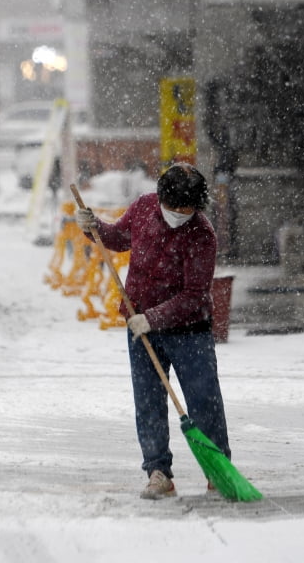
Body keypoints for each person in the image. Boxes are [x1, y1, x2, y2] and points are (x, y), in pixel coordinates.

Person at [76, 162, 231, 500]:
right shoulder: (145, 207)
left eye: (187, 209)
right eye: (174, 207)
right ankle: (158, 472)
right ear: (161, 198)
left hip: (190, 331)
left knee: (204, 400)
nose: (180, 214)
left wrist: (155, 317)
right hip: (140, 323)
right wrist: (94, 228)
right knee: (148, 402)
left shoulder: (202, 235)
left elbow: (194, 295)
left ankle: (218, 472)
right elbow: (117, 238)